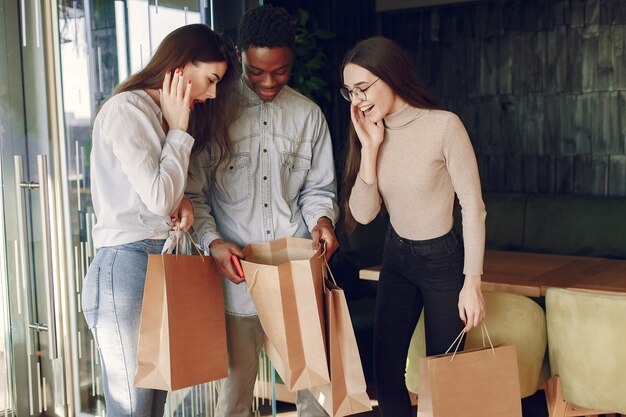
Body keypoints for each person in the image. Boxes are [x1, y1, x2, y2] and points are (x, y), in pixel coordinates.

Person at [186, 5, 338, 417]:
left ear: (292, 59)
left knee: (316, 397)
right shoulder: (213, 113)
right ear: (239, 55)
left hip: (295, 278)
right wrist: (213, 242)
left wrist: (322, 221)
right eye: (257, 72)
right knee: (233, 399)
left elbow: (318, 189)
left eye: (281, 71)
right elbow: (194, 196)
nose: (269, 82)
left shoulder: (309, 116)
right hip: (237, 284)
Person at [82, 24, 239, 416]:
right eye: (210, 79)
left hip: (159, 259)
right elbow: (156, 198)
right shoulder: (127, 110)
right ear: (182, 66)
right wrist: (180, 130)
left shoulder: (159, 115)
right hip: (127, 265)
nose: (213, 93)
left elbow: (160, 193)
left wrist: (180, 197)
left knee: (156, 402)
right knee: (132, 407)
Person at [340, 36, 487, 417]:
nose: (357, 101)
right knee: (386, 376)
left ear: (389, 76)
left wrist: (472, 283)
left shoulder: (443, 127)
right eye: (350, 92)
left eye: (362, 88)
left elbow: (473, 206)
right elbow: (363, 213)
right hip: (397, 257)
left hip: (442, 262)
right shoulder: (372, 133)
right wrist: (370, 150)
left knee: (444, 381)